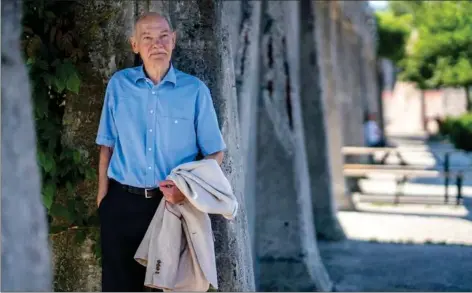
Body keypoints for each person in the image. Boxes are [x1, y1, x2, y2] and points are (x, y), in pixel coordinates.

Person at [95, 12, 226, 292]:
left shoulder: (195, 91)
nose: (157, 44)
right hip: (121, 204)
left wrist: (187, 193)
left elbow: (215, 154)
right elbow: (106, 144)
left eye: (164, 36)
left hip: (171, 207)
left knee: (167, 288)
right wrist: (103, 199)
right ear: (134, 45)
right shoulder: (119, 85)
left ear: (174, 40)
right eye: (148, 38)